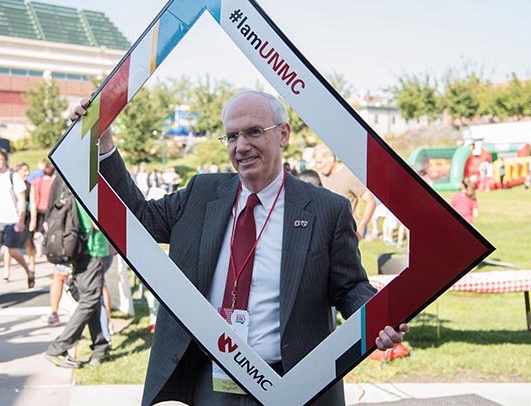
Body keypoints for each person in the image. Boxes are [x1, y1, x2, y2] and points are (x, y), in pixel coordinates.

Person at [72, 90, 406, 405]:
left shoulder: (326, 210)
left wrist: (378, 316)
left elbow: (348, 286)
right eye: (232, 136)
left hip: (293, 383)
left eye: (254, 132)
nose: (241, 146)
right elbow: (140, 217)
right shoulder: (202, 193)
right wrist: (103, 143)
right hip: (213, 380)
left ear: (284, 135)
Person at [44, 189, 112, 368]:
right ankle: (58, 348)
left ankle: (100, 347)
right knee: (89, 301)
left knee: (91, 299)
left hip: (78, 250)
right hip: (92, 249)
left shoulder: (74, 189)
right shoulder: (91, 192)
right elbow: (98, 224)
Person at [0, 148, 33, 293]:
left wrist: (21, 219)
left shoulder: (13, 177)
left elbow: (21, 200)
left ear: (5, 160)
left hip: (11, 219)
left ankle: (28, 271)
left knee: (13, 251)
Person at [313, 143, 377, 240]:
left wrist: (362, 227)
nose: (318, 166)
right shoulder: (319, 177)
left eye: (320, 162)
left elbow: (370, 201)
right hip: (324, 236)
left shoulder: (349, 175)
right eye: (317, 163)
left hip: (345, 236)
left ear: (331, 157)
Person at [2, 163, 36, 281]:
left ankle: (32, 267)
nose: (26, 173)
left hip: (25, 217)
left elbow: (32, 204)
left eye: (28, 171)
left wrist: (33, 220)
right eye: (24, 171)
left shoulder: (30, 187)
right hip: (12, 217)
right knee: (9, 246)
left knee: (28, 244)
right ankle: (6, 272)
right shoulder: (11, 184)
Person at [30, 163, 56, 257]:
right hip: (51, 209)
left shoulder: (37, 182)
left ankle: (39, 251)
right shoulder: (53, 182)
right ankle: (51, 249)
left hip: (39, 208)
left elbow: (33, 197)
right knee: (50, 230)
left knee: (38, 232)